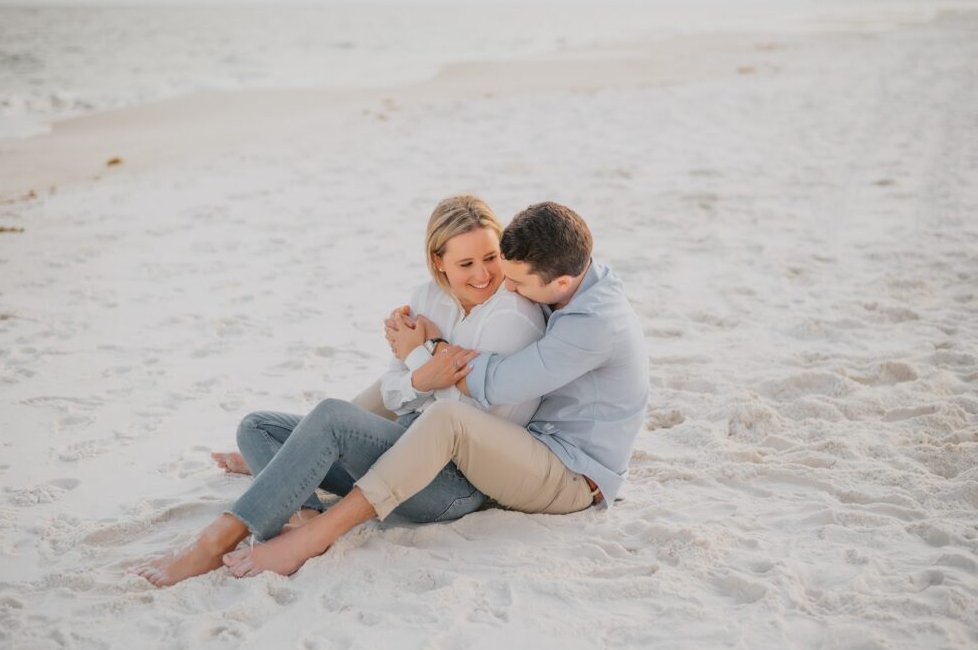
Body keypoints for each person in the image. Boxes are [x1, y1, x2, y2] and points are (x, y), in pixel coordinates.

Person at [216, 201, 650, 579]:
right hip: (522, 442)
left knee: (445, 416)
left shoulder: (591, 325)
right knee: (273, 424)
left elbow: (497, 384)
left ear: (559, 283)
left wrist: (427, 348)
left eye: (516, 282)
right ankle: (304, 456)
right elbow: (417, 384)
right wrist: (417, 354)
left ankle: (315, 533)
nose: (506, 287)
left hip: (572, 474)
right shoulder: (574, 272)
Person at [132, 195, 545, 586]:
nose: (483, 274)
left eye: (491, 257)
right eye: (466, 262)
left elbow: (478, 421)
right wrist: (423, 373)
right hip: (399, 443)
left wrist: (421, 356)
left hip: (451, 482)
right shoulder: (426, 299)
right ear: (439, 262)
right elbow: (395, 389)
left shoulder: (512, 318)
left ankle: (217, 539)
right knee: (257, 427)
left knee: (331, 417)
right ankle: (306, 514)